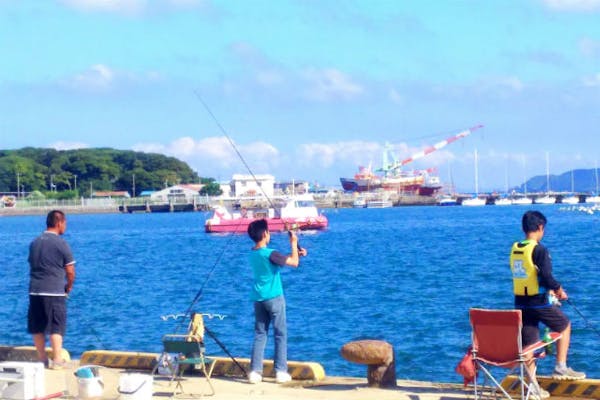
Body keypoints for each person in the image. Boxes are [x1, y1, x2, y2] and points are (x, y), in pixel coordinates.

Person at [510, 210, 585, 389]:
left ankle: (532, 385)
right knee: (564, 324)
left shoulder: (515, 248)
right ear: (540, 227)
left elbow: (527, 274)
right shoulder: (539, 249)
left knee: (529, 344)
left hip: (520, 302)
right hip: (538, 301)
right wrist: (558, 290)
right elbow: (546, 277)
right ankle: (560, 367)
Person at [246, 219, 307, 384]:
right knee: (280, 334)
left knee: (260, 334)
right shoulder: (270, 253)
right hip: (274, 298)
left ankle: (255, 372)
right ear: (265, 234)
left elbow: (279, 261)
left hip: (258, 298)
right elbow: (294, 263)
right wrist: (294, 244)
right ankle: (280, 371)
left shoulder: (253, 253)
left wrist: (294, 253)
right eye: (268, 232)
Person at [28, 210, 76, 369]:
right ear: (59, 222)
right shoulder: (61, 243)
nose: (65, 226)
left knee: (37, 326)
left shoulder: (35, 242)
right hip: (54, 291)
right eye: (65, 223)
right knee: (56, 326)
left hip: (35, 291)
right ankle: (57, 360)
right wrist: (68, 287)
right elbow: (70, 271)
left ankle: (41, 359)